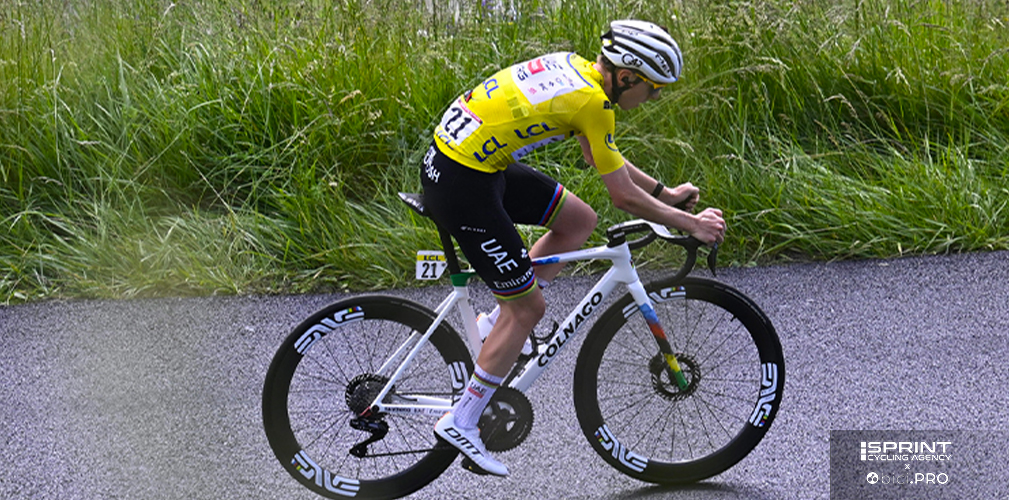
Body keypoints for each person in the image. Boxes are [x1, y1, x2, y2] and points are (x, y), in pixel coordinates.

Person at [420, 19, 726, 477]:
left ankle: (494, 325)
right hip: (463, 183)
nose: (654, 99)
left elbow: (598, 156)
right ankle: (462, 420)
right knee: (529, 309)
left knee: (578, 221)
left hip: (466, 165)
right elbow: (622, 196)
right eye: (653, 89)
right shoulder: (593, 102)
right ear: (628, 77)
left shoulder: (577, 71)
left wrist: (665, 195)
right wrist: (691, 224)